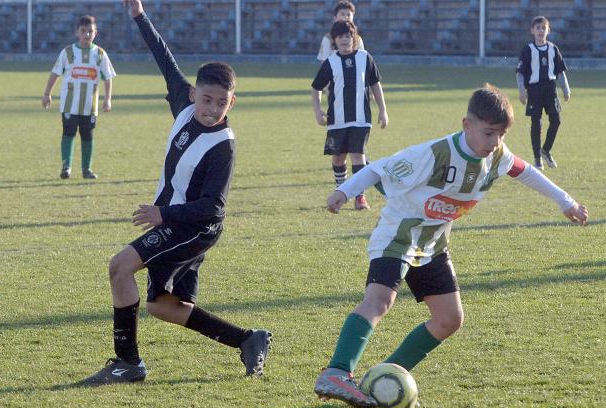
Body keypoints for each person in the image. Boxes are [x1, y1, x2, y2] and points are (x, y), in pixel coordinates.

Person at [314, 84, 588, 408]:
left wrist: (565, 202)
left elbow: (526, 172)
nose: (495, 142)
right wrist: (344, 192)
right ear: (466, 124)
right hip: (398, 236)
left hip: (432, 245)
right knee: (380, 300)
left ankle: (381, 380)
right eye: (488, 133)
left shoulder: (496, 156)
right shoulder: (433, 155)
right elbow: (377, 168)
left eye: (501, 134)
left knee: (449, 319)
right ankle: (337, 372)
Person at [82, 0, 271, 385]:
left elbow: (214, 208)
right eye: (206, 99)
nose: (212, 109)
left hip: (194, 227)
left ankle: (127, 362)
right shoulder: (183, 107)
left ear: (232, 101)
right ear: (193, 95)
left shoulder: (223, 147)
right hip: (178, 221)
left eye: (222, 102)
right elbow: (163, 58)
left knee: (120, 267)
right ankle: (248, 340)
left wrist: (162, 215)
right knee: (164, 306)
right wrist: (138, 15)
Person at [312, 20, 388, 210]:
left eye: (348, 36)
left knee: (358, 155)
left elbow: (375, 85)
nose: (345, 39)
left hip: (361, 119)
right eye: (340, 36)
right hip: (337, 120)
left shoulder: (365, 57)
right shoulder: (331, 62)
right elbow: (316, 88)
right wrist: (318, 111)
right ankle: (341, 191)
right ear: (334, 41)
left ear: (354, 38)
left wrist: (383, 110)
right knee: (338, 157)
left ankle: (360, 197)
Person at [42, 15, 115, 180]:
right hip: (69, 105)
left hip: (90, 106)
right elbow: (55, 73)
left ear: (95, 33)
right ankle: (66, 167)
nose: (87, 35)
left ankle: (86, 169)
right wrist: (47, 94)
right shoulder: (68, 52)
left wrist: (107, 99)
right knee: (68, 134)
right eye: (83, 31)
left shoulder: (100, 54)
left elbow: (108, 77)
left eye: (90, 31)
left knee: (87, 137)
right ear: (77, 32)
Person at [516, 15, 571, 170]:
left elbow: (560, 71)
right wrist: (521, 90)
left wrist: (566, 89)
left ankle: (546, 150)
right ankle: (537, 157)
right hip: (534, 90)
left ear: (548, 30)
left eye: (543, 28)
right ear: (532, 30)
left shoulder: (553, 49)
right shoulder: (528, 50)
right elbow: (520, 72)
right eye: (538, 28)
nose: (541, 30)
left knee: (556, 120)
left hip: (550, 88)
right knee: (536, 122)